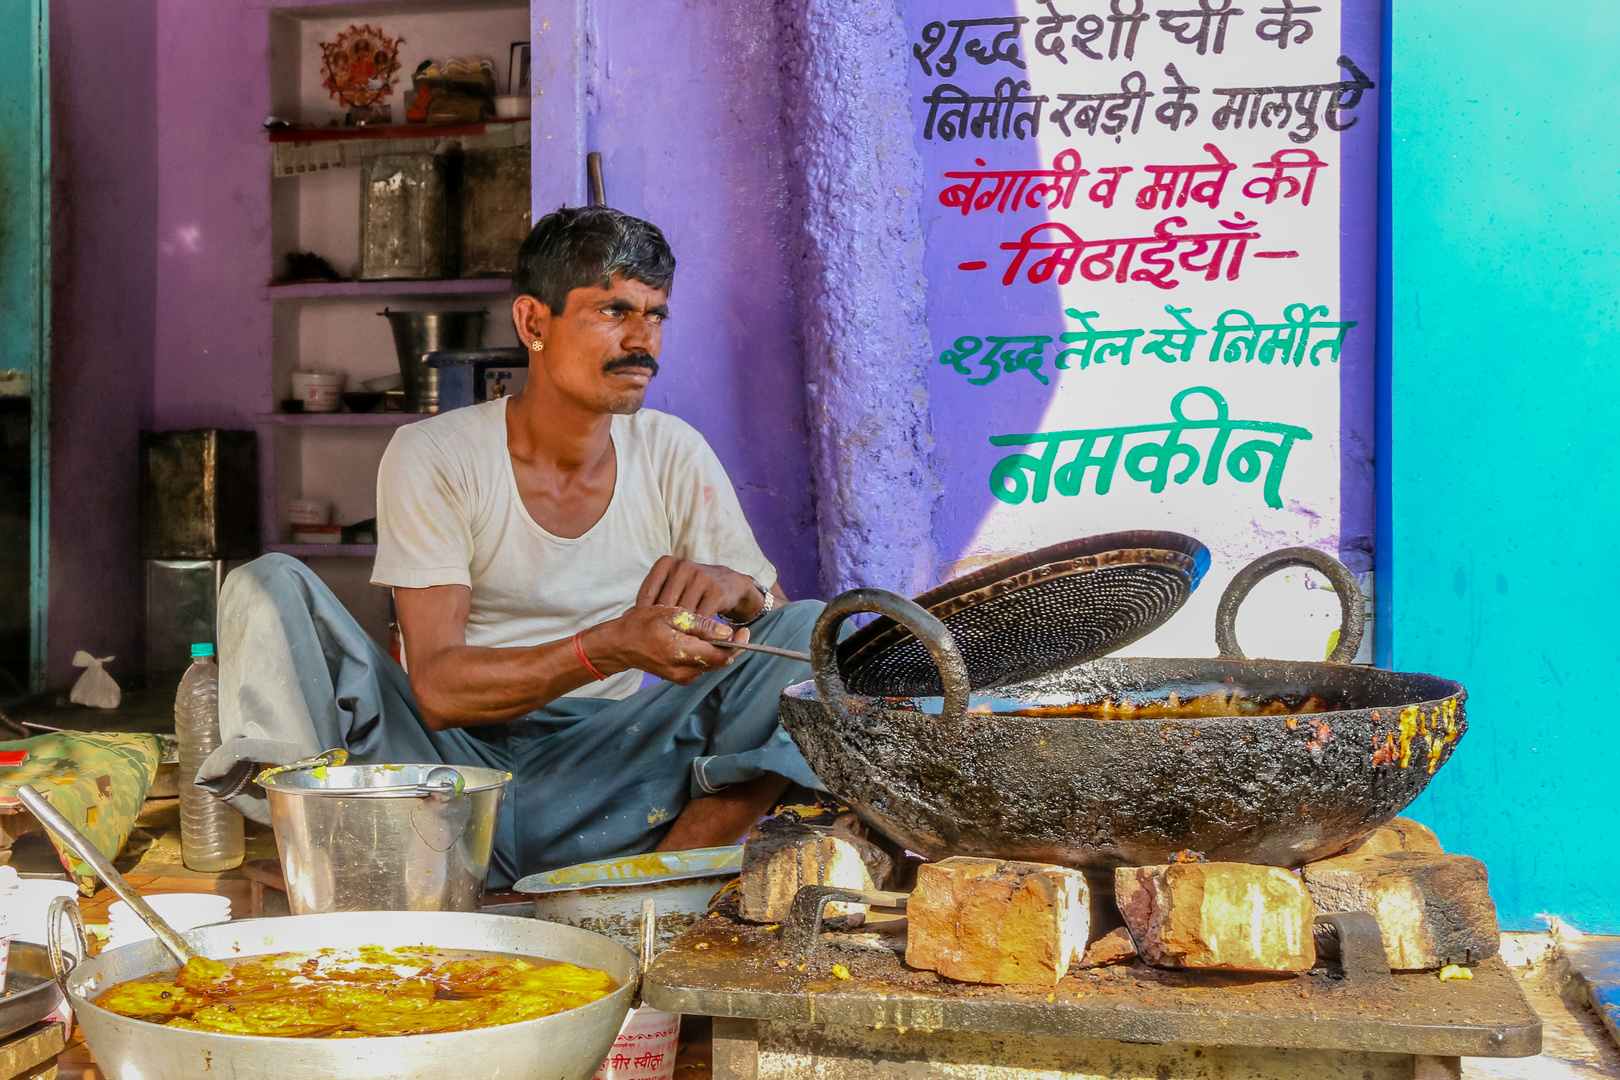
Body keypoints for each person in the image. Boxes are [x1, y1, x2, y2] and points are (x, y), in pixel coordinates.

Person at [201, 207, 823, 887]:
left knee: (811, 633)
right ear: (533, 323)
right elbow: (436, 688)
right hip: (443, 772)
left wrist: (745, 594)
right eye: (614, 311)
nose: (644, 341)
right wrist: (605, 647)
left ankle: (657, 890)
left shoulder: (674, 452)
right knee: (266, 585)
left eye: (656, 315)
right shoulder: (435, 453)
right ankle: (328, 862)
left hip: (609, 773)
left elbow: (778, 643)